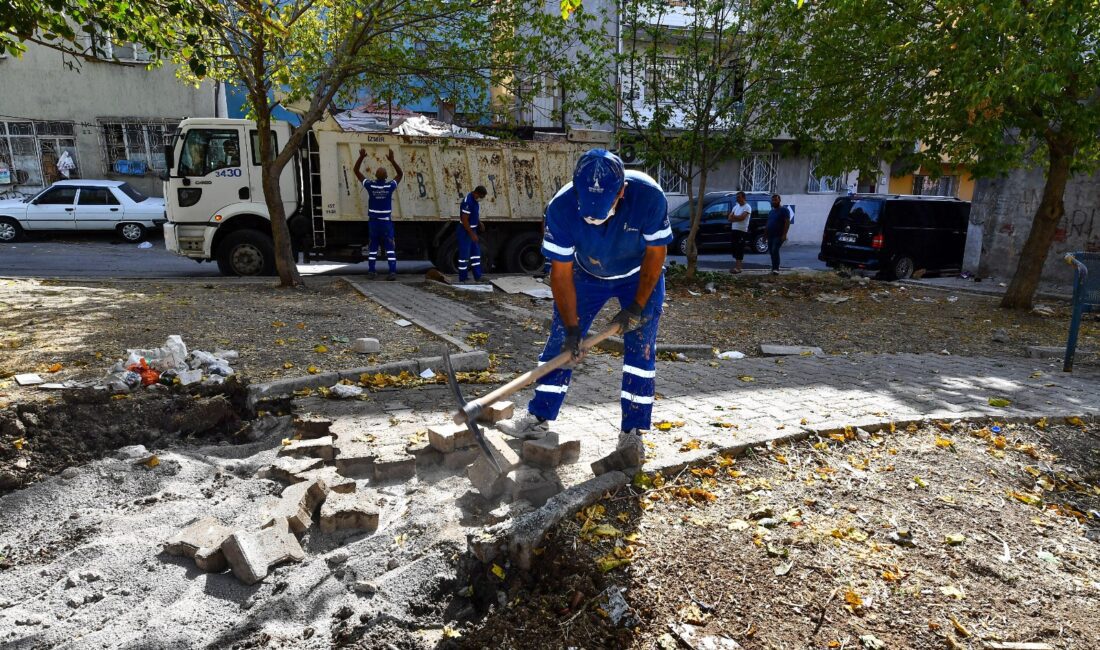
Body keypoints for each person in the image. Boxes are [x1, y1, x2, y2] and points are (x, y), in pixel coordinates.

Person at [498, 149, 671, 476]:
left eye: (600, 212)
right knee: (561, 340)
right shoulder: (561, 208)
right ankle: (538, 418)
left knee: (641, 349)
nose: (592, 218)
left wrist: (635, 307)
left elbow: (655, 256)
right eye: (587, 211)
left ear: (621, 192)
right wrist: (574, 328)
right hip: (585, 275)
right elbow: (560, 274)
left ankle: (632, 433)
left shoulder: (648, 197)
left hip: (638, 276)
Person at [354, 148, 403, 280]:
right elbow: (400, 174)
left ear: (375, 176)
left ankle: (371, 271)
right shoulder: (389, 187)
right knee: (390, 247)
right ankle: (392, 272)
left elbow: (356, 171)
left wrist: (361, 157)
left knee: (373, 247)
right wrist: (392, 161)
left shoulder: (371, 186)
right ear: (386, 177)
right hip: (386, 223)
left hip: (374, 223)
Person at [458, 186, 488, 282]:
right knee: (464, 256)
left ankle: (478, 276)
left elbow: (474, 214)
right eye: (480, 196)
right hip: (465, 231)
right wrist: (471, 234)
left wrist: (479, 222)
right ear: (476, 193)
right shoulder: (468, 201)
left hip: (472, 230)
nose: (481, 198)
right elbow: (465, 219)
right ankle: (463, 278)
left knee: (475, 254)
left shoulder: (475, 201)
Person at [726, 191, 751, 274]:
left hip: (742, 231)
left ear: (743, 198)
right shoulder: (736, 207)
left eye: (739, 197)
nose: (737, 199)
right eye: (737, 197)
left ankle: (738, 267)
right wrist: (734, 217)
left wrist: (734, 217)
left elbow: (742, 218)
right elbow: (729, 218)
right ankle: (736, 266)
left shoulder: (747, 207)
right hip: (734, 230)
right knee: (735, 248)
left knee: (740, 248)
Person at [766, 193, 791, 275]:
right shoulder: (771, 212)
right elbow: (768, 223)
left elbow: (787, 222)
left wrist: (784, 234)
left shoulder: (784, 210)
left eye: (775, 200)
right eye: (772, 200)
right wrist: (765, 235)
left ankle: (776, 268)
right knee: (771, 251)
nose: (773, 201)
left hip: (779, 235)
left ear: (779, 200)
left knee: (775, 250)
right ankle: (773, 267)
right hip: (770, 235)